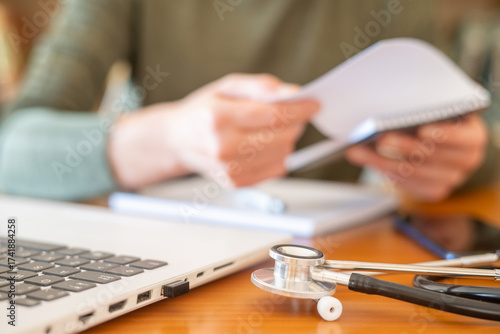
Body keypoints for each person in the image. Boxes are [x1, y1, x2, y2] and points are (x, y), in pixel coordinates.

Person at [0, 0, 495, 201]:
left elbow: (472, 143)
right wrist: (171, 137)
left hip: (328, 271)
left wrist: (462, 158)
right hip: (162, 257)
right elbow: (12, 150)